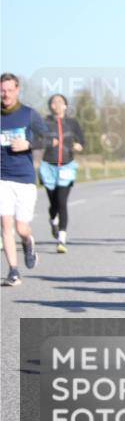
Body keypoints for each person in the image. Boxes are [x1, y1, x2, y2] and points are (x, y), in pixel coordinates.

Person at [1, 73, 46, 286]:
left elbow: (47, 138)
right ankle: (13, 271)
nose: (6, 94)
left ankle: (28, 242)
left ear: (17, 90)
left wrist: (28, 144)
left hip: (24, 178)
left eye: (10, 90)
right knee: (5, 224)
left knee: (21, 228)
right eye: (2, 90)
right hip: (2, 177)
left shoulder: (28, 114)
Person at [39, 93, 85, 254]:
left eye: (60, 102)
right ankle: (53, 219)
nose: (57, 105)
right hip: (48, 166)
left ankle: (62, 239)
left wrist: (79, 145)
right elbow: (35, 140)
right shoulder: (44, 122)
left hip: (67, 165)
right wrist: (48, 142)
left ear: (65, 105)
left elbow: (81, 140)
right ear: (50, 106)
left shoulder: (72, 123)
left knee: (62, 201)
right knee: (53, 204)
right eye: (54, 102)